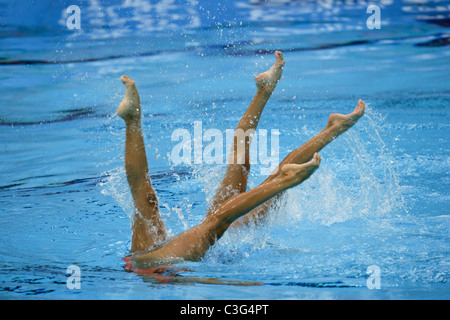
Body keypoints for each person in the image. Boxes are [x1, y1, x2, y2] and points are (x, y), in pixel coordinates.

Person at [116, 51, 365, 267]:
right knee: (238, 182)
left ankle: (133, 120)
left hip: (155, 262)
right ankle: (317, 125)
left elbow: (219, 221)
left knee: (158, 199)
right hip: (157, 264)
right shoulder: (240, 233)